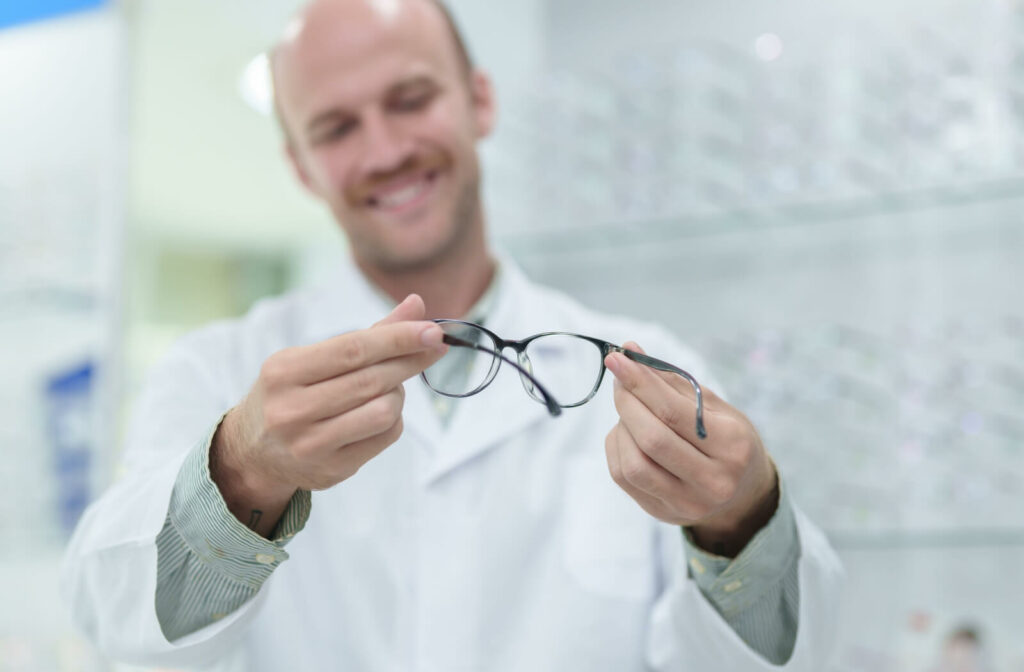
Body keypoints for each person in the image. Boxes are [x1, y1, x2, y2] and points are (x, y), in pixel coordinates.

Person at [61, 0, 844, 669]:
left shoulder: (645, 368)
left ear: (480, 102)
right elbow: (116, 627)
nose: (385, 150)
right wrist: (239, 472)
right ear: (301, 167)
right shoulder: (214, 371)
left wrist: (741, 516)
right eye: (335, 128)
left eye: (410, 99)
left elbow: (781, 655)